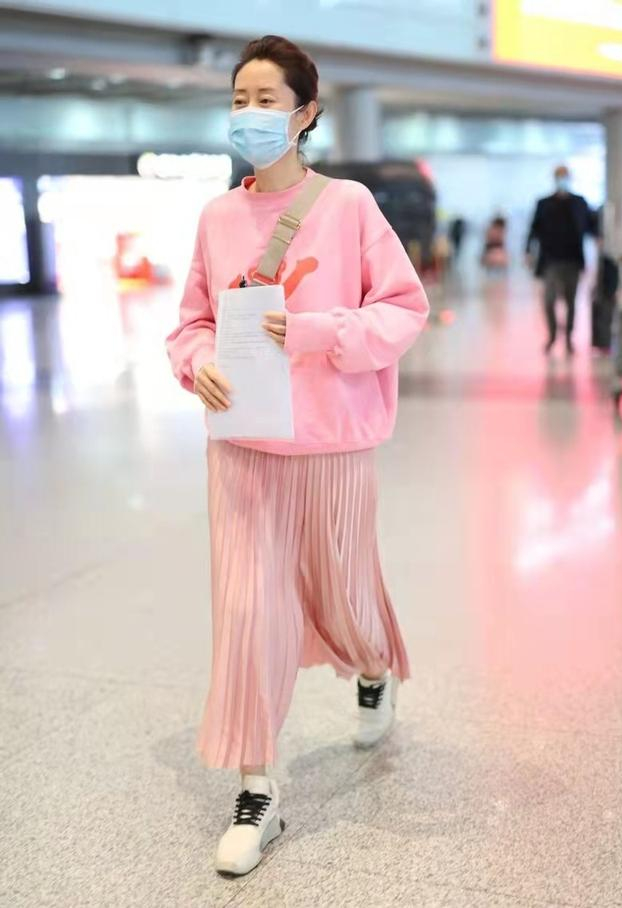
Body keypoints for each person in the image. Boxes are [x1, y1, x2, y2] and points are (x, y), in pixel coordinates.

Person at [166, 35, 429, 878]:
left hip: (332, 445)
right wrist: (196, 363)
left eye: (267, 99)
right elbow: (191, 322)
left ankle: (373, 665)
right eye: (239, 98)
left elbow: (404, 309)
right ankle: (257, 789)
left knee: (344, 594)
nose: (249, 113)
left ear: (305, 112)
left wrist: (315, 332)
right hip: (242, 446)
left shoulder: (347, 205)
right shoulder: (216, 217)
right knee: (248, 611)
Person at [526, 165, 597, 356]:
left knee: (570, 301)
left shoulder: (579, 202)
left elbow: (591, 226)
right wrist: (528, 251)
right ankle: (552, 335)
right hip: (550, 260)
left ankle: (569, 338)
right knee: (549, 300)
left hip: (573, 260)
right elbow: (533, 229)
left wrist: (600, 240)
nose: (562, 181)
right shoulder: (544, 203)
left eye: (565, 177)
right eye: (559, 177)